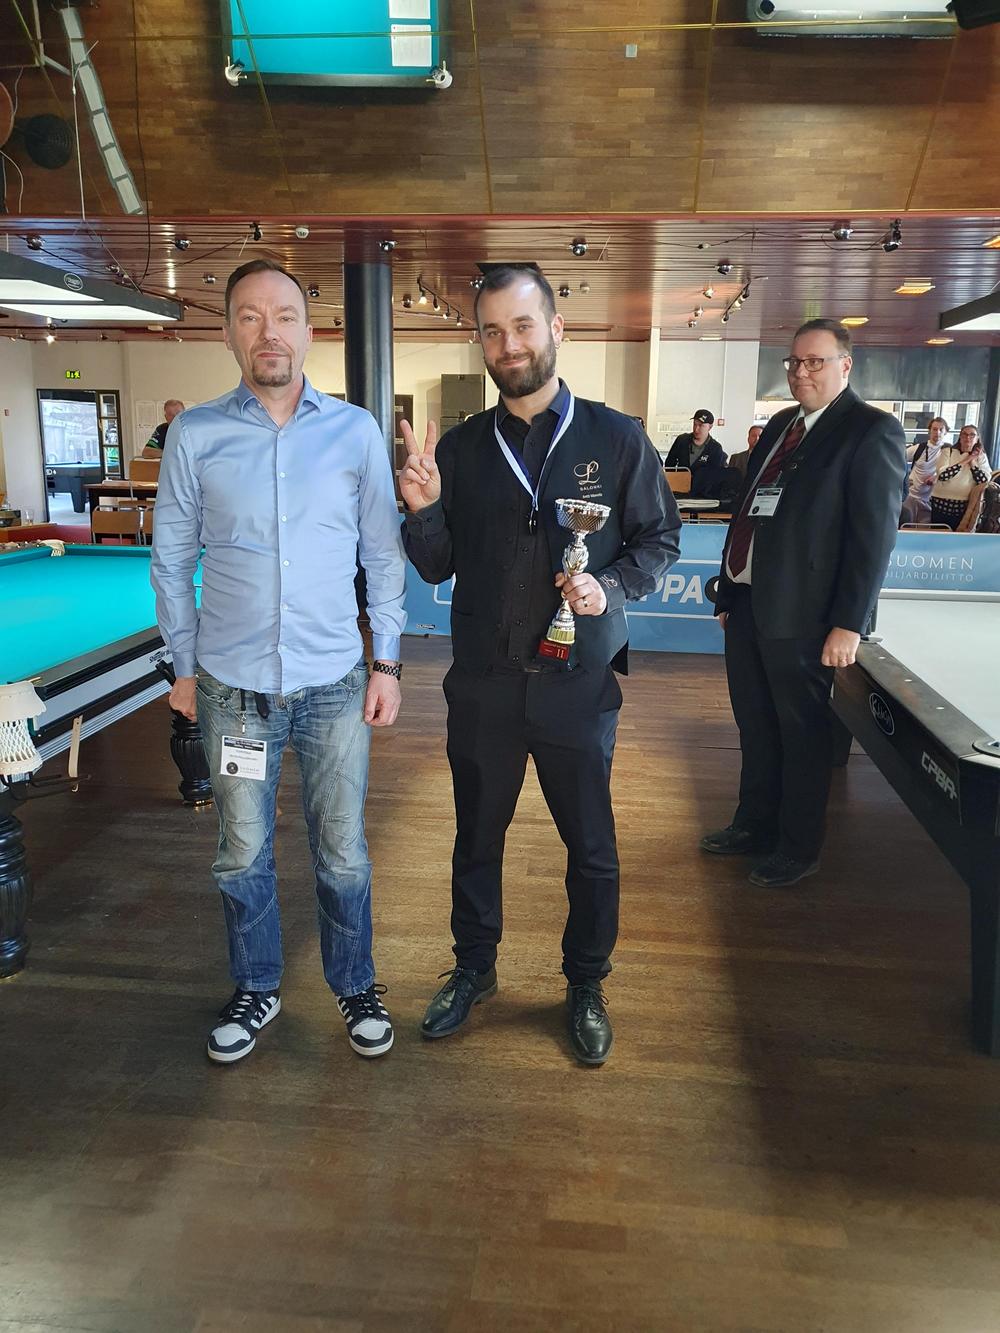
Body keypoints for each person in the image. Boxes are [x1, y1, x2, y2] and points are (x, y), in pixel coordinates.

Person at [401, 264, 680, 1066]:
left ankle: (586, 980)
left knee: (592, 849)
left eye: (522, 326)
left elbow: (659, 538)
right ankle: (474, 967)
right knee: (475, 839)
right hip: (483, 686)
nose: (508, 345)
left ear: (556, 329)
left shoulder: (615, 437)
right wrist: (423, 510)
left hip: (577, 686)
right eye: (492, 331)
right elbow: (436, 563)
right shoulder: (461, 448)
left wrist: (610, 585)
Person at [150, 259, 406, 1065]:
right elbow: (171, 558)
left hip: (336, 686)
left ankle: (354, 983)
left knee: (343, 850)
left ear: (308, 329)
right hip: (234, 692)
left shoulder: (355, 431)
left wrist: (388, 662)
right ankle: (257, 983)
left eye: (285, 315)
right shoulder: (195, 434)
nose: (270, 332)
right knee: (241, 851)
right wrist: (182, 666)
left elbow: (383, 554)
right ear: (229, 332)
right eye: (250, 316)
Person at [701, 318, 906, 888]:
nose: (801, 372)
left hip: (808, 618)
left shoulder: (871, 431)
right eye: (794, 362)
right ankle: (753, 824)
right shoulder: (780, 427)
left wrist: (849, 624)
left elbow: (872, 540)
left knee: (803, 734)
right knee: (755, 724)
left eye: (815, 361)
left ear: (846, 365)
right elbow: (751, 508)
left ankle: (797, 846)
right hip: (749, 605)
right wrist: (728, 589)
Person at [930, 424, 990, 530]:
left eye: (972, 435)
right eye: (964, 434)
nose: (968, 438)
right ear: (960, 437)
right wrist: (967, 459)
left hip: (964, 505)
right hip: (941, 502)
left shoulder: (981, 457)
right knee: (938, 533)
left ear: (977, 438)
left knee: (959, 534)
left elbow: (984, 481)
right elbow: (943, 475)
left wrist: (972, 462)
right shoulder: (948, 452)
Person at [664, 410, 728, 498]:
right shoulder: (682, 441)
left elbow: (715, 475)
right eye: (694, 424)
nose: (696, 429)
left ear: (710, 427)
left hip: (702, 494)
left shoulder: (715, 448)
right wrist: (675, 480)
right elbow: (669, 464)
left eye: (701, 425)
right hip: (679, 491)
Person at [900, 416, 949, 526]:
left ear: (946, 432)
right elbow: (898, 458)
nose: (937, 433)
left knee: (925, 528)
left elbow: (952, 470)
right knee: (906, 526)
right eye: (934, 429)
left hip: (931, 499)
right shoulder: (919, 448)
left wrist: (936, 477)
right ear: (930, 431)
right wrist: (904, 479)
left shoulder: (949, 451)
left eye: (941, 429)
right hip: (911, 496)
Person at [719, 425, 764, 507]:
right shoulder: (736, 458)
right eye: (753, 436)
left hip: (758, 500)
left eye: (760, 436)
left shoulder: (768, 460)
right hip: (737, 500)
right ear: (748, 438)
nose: (757, 438)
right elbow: (728, 482)